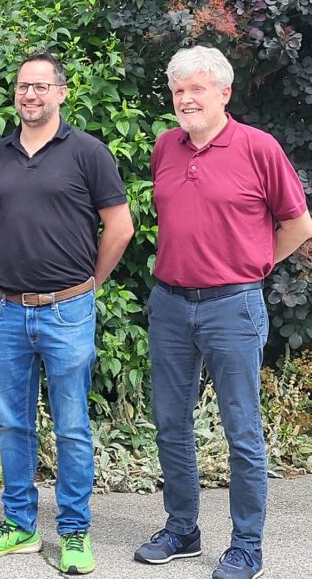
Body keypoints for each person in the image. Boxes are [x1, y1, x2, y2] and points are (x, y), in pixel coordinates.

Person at [133, 46, 312, 579]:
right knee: (169, 422)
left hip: (232, 306)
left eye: (196, 89)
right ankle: (182, 528)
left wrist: (252, 265)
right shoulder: (166, 147)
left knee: (242, 430)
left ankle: (247, 545)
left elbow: (299, 226)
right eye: (178, 90)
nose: (185, 99)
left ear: (224, 93)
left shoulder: (258, 148)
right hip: (169, 304)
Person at [0, 51, 134, 575]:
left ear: (62, 92)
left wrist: (89, 284)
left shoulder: (88, 153)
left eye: (41, 86)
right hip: (6, 309)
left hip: (68, 311)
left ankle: (75, 532)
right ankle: (19, 526)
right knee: (14, 425)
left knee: (71, 427)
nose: (30, 95)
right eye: (23, 87)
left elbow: (121, 227)